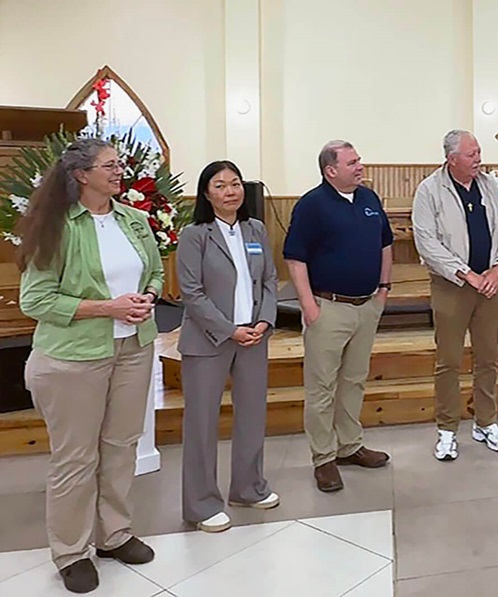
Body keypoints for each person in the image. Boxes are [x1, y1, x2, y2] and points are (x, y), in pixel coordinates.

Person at [19, 139, 162, 594]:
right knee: (76, 458)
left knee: (121, 445)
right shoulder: (57, 228)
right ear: (81, 175)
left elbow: (155, 272)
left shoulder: (134, 220)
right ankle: (70, 552)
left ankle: (114, 534)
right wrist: (109, 308)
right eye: (110, 165)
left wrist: (148, 298)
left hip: (133, 349)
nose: (120, 171)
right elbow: (35, 299)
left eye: (120, 163)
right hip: (72, 358)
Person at [283, 140, 392, 493]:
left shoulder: (369, 200)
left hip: (366, 306)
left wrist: (384, 289)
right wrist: (308, 306)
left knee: (354, 380)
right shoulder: (312, 205)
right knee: (322, 388)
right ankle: (323, 458)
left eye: (359, 160)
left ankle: (349, 446)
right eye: (352, 162)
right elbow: (295, 258)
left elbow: (385, 244)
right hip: (327, 308)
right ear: (331, 170)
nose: (360, 166)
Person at [176, 161, 280, 532]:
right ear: (206, 193)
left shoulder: (256, 229)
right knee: (202, 422)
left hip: (254, 337)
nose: (230, 191)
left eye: (235, 184)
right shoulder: (195, 234)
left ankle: (248, 487)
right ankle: (201, 504)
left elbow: (269, 279)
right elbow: (192, 292)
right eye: (220, 186)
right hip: (208, 340)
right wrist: (229, 329)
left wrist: (264, 321)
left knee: (252, 415)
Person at [412, 130, 498, 461]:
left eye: (479, 152)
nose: (479, 159)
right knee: (449, 362)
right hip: (452, 287)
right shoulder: (429, 190)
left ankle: (486, 422)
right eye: (472, 154)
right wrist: (466, 273)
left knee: (488, 358)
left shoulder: (490, 185)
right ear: (452, 158)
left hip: (490, 285)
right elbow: (427, 242)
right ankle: (447, 429)